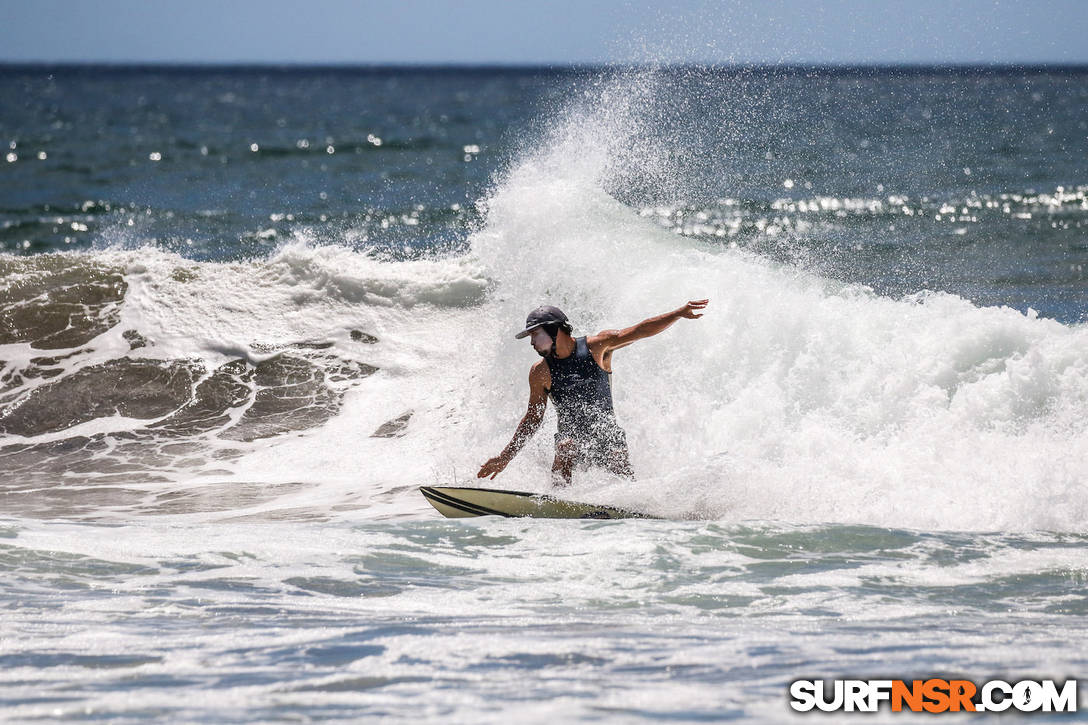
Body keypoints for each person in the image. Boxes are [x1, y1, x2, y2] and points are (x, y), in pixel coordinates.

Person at [477, 299, 709, 486]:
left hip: (606, 435)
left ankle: (631, 501)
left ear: (554, 330)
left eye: (535, 335)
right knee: (566, 445)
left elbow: (639, 331)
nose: (532, 343)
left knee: (616, 448)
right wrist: (505, 457)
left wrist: (677, 314)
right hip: (570, 438)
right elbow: (533, 418)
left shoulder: (597, 347)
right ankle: (559, 500)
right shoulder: (540, 372)